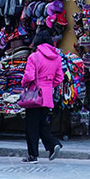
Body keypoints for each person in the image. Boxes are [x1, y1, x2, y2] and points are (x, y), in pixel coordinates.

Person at [20, 30, 64, 163]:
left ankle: (33, 155)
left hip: (35, 94)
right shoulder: (57, 57)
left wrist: (24, 84)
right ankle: (53, 145)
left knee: (31, 126)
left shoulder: (34, 57)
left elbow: (29, 76)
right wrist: (49, 85)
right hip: (47, 94)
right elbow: (59, 78)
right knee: (42, 124)